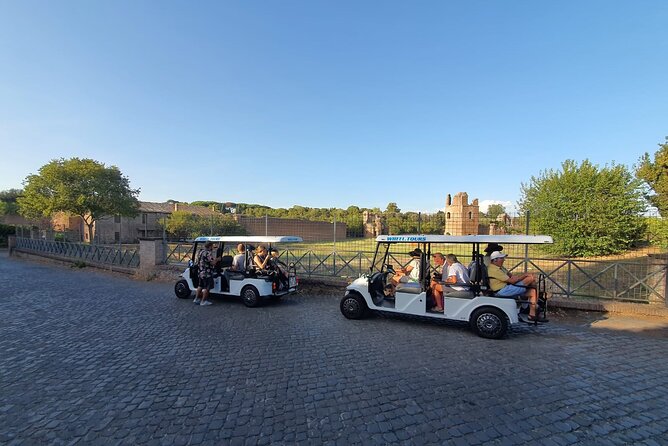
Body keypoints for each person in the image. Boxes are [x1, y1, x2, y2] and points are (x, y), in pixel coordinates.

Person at [487, 251, 547, 322]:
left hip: (507, 288)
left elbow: (512, 276)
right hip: (502, 291)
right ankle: (533, 305)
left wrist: (521, 277)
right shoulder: (493, 270)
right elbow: (512, 281)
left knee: (532, 291)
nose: (504, 260)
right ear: (495, 260)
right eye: (502, 258)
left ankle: (532, 314)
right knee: (531, 279)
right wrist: (524, 275)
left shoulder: (500, 267)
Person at [194, 241, 220, 306]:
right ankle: (203, 301)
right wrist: (217, 259)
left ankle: (196, 299)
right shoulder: (208, 253)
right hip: (207, 273)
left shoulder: (200, 252)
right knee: (207, 287)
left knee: (200, 286)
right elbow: (212, 263)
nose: (213, 248)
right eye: (212, 246)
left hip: (200, 272)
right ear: (210, 246)